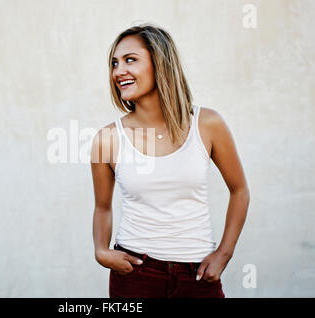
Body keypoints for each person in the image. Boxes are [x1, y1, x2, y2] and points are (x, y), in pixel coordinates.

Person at [90, 23, 250, 298]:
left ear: (160, 63)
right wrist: (101, 251)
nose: (118, 71)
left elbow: (240, 190)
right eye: (114, 63)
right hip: (135, 276)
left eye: (130, 60)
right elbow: (102, 207)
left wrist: (224, 253)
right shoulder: (107, 139)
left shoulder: (208, 124)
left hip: (196, 276)